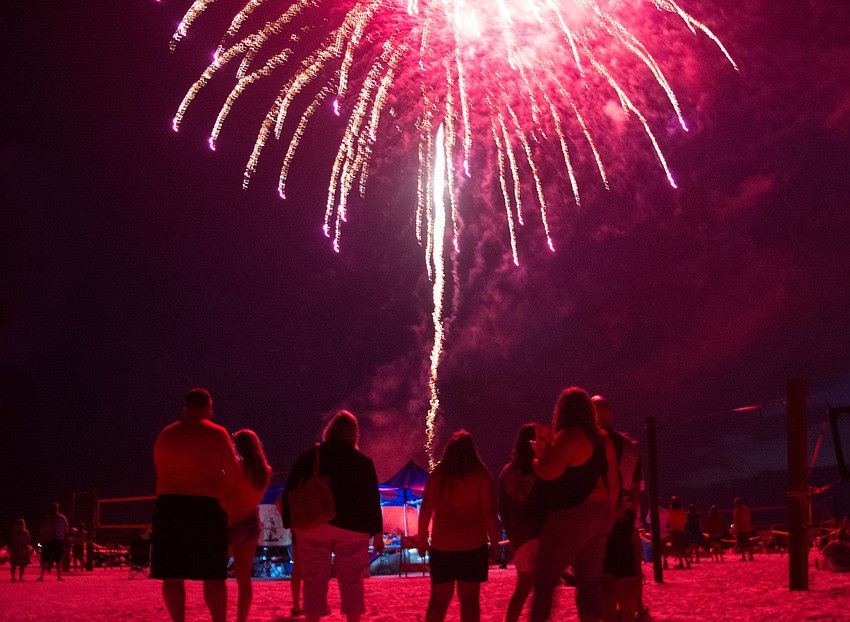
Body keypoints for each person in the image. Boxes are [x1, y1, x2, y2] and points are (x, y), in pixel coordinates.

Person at [281, 410, 384, 622]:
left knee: (314, 580)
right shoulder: (362, 462)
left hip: (315, 522)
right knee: (352, 580)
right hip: (354, 527)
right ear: (354, 434)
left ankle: (312, 618)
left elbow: (290, 489)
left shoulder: (312, 456)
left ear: (329, 431)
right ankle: (353, 619)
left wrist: (291, 522)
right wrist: (377, 533)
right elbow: (373, 499)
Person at [529, 387, 619, 622]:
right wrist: (610, 510)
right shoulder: (602, 439)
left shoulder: (569, 435)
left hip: (575, 515)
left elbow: (549, 472)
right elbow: (614, 480)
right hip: (602, 513)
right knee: (590, 582)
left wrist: (537, 458)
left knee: (544, 580)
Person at [151, 388, 239, 622]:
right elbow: (232, 472)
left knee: (172, 573)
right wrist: (221, 497)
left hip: (169, 505)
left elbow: (160, 470)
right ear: (209, 409)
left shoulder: (166, 434)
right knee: (213, 574)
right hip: (206, 506)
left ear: (185, 409)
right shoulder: (217, 433)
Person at [418, 429, 501, 622]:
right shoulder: (481, 476)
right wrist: (495, 544)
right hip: (472, 545)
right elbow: (488, 513)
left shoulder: (437, 477)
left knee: (438, 601)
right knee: (470, 601)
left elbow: (426, 509)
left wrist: (422, 538)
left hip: (442, 545)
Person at [593, 395, 644, 622]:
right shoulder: (630, 446)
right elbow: (635, 486)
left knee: (604, 574)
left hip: (600, 515)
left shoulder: (593, 443)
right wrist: (632, 513)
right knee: (626, 573)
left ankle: (610, 617)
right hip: (625, 514)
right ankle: (628, 616)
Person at [222, 429, 272, 622]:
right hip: (251, 523)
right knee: (244, 580)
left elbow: (224, 494)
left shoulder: (235, 468)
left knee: (217, 578)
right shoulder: (264, 471)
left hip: (232, 522)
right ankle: (241, 619)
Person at [499, 424, 539, 622]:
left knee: (521, 589)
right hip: (542, 534)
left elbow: (503, 510)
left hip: (521, 535)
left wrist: (512, 534)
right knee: (543, 590)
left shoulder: (508, 473)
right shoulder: (543, 467)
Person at [38, 502, 70, 581]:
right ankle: (44, 576)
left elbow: (43, 529)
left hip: (55, 540)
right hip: (52, 540)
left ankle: (56, 576)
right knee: (47, 558)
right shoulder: (55, 518)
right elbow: (66, 528)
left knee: (56, 558)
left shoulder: (58, 518)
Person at [668, 497, 688, 569]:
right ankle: (686, 561)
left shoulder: (671, 511)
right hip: (681, 530)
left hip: (674, 531)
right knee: (682, 547)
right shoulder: (682, 510)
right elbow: (685, 520)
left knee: (677, 548)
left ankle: (681, 563)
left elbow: (669, 520)